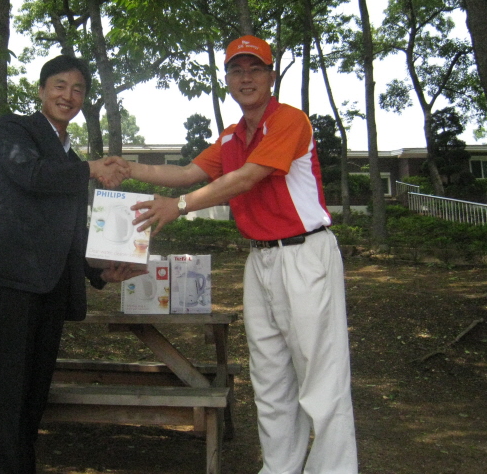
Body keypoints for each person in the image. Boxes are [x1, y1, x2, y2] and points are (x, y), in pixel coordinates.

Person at [125, 35, 358, 474]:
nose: (246, 77)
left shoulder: (289, 121)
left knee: (321, 378)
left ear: (271, 76)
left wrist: (179, 207)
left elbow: (247, 178)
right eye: (236, 70)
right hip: (260, 259)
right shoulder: (231, 136)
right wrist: (126, 167)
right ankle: (279, 468)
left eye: (255, 69)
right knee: (269, 377)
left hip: (305, 254)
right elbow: (187, 172)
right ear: (227, 79)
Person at [0, 54, 144, 474]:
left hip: (51, 288)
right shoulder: (12, 129)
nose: (69, 95)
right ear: (42, 90)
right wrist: (91, 168)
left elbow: (71, 230)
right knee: (8, 400)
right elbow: (31, 175)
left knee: (33, 398)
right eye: (60, 85)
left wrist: (99, 271)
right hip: (10, 282)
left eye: (78, 89)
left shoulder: (71, 159)